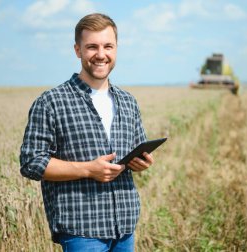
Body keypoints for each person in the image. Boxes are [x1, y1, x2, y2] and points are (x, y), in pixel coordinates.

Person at [20, 13, 154, 252]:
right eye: (92, 46)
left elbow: (137, 149)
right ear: (77, 50)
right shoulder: (51, 102)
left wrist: (141, 162)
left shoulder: (128, 101)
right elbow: (31, 163)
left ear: (116, 49)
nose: (101, 54)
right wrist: (87, 169)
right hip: (82, 229)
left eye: (107, 46)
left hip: (124, 227)